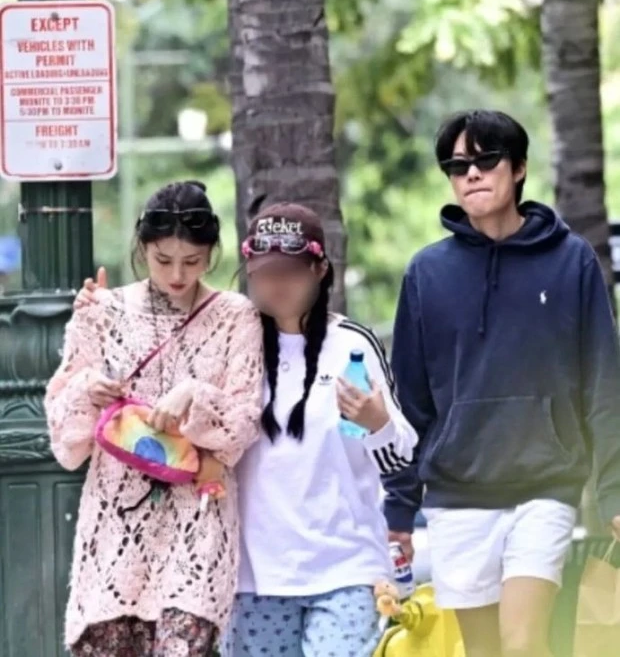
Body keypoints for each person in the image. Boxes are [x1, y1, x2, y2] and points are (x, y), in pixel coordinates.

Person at [76, 201, 418, 657]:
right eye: (264, 272)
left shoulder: (352, 345)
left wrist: (377, 424)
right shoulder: (230, 339)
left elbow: (401, 456)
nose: (277, 284)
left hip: (346, 571)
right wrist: (102, 314)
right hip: (252, 578)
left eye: (291, 271)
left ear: (320, 270)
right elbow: (152, 397)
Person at [384, 109, 620, 657]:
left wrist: (613, 491)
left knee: (523, 644)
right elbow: (410, 404)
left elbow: (603, 387)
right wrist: (400, 507)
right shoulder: (426, 273)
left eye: (486, 159)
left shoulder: (572, 262)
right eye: (456, 165)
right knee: (484, 652)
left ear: (518, 168)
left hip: (546, 485)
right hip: (457, 496)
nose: (471, 173)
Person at [45, 181, 263, 656]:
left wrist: (194, 395)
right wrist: (89, 389)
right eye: (164, 260)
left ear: (212, 253)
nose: (178, 275)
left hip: (197, 528)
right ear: (142, 249)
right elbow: (65, 439)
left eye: (192, 261)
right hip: (114, 529)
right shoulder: (102, 311)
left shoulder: (235, 316)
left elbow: (244, 422)